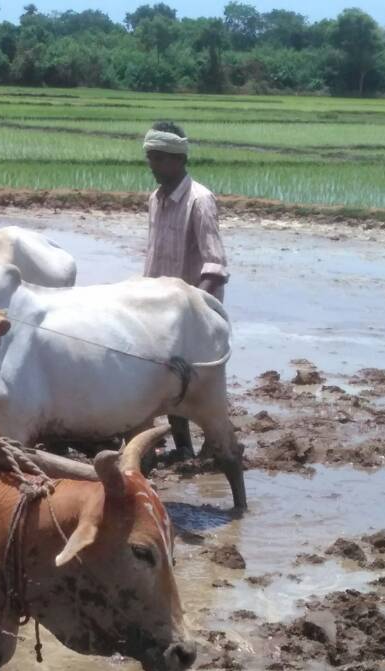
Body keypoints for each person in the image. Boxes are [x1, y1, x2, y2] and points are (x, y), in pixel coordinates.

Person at [142, 121, 228, 458]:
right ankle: (183, 450)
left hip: (193, 312)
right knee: (169, 380)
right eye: (150, 158)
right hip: (159, 310)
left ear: (177, 159)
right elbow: (153, 258)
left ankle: (218, 446)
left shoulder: (200, 200)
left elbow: (215, 265)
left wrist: (193, 310)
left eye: (158, 158)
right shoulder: (155, 199)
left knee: (200, 384)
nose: (152, 165)